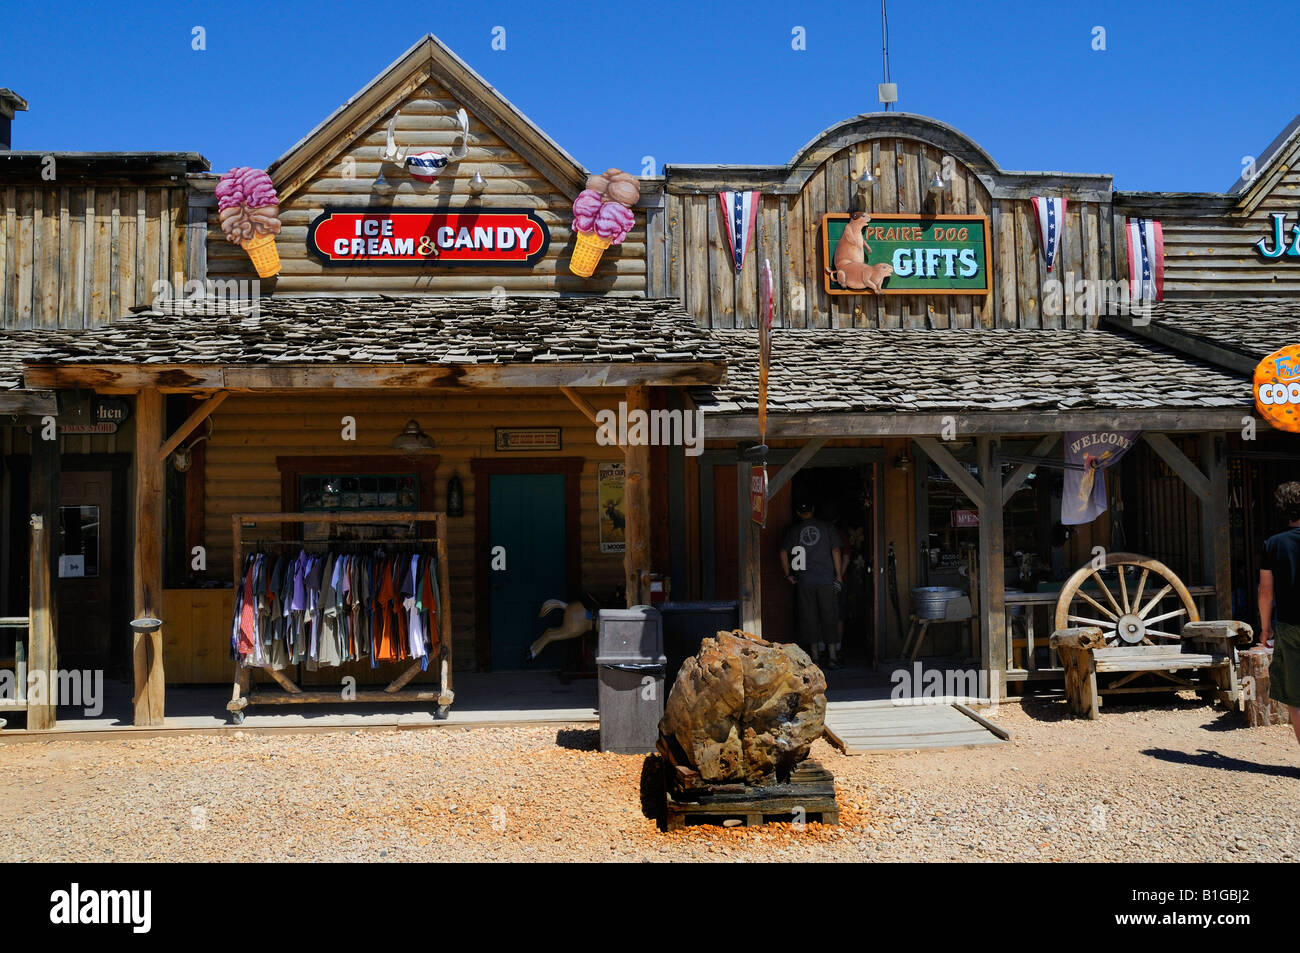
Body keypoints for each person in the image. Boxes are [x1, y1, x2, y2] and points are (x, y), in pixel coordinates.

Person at [1258, 481, 1300, 748]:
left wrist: (1265, 628)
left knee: (1296, 697)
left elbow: (1265, 592)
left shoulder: (1273, 544)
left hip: (1290, 625)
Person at [780, 499, 846, 669]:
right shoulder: (827, 528)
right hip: (826, 579)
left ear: (797, 513)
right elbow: (836, 550)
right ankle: (832, 657)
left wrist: (789, 574)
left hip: (805, 580)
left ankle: (815, 658)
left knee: (809, 617)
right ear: (813, 509)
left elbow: (783, 552)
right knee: (829, 616)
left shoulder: (794, 531)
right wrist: (838, 575)